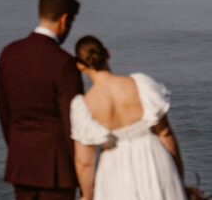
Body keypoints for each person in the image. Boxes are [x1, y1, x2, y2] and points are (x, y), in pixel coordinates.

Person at [70, 35, 186, 200]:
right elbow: (165, 133)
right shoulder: (141, 84)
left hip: (114, 169)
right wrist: (178, 179)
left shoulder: (83, 106)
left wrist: (87, 195)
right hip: (153, 160)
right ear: (107, 53)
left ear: (80, 66)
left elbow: (84, 161)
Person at [0, 0, 84, 200]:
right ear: (64, 20)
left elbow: (4, 112)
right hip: (57, 170)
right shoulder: (64, 63)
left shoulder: (9, 53)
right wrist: (83, 174)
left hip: (21, 162)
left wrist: (18, 148)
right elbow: (73, 124)